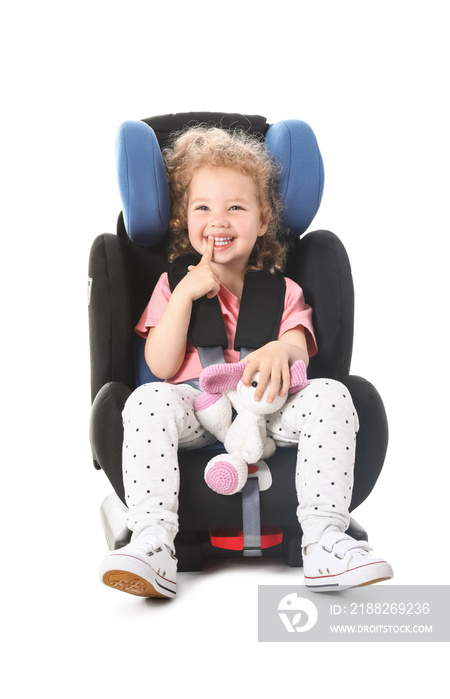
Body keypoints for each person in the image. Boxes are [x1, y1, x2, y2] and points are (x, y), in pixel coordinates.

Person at [99, 126, 393, 598]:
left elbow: (301, 342)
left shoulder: (283, 290)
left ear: (263, 220)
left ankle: (324, 538)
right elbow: (158, 362)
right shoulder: (172, 287)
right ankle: (153, 540)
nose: (219, 220)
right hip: (196, 408)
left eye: (236, 207)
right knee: (146, 401)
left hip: (267, 409)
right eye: (203, 208)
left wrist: (283, 347)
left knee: (333, 394)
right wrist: (184, 298)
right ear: (183, 220)